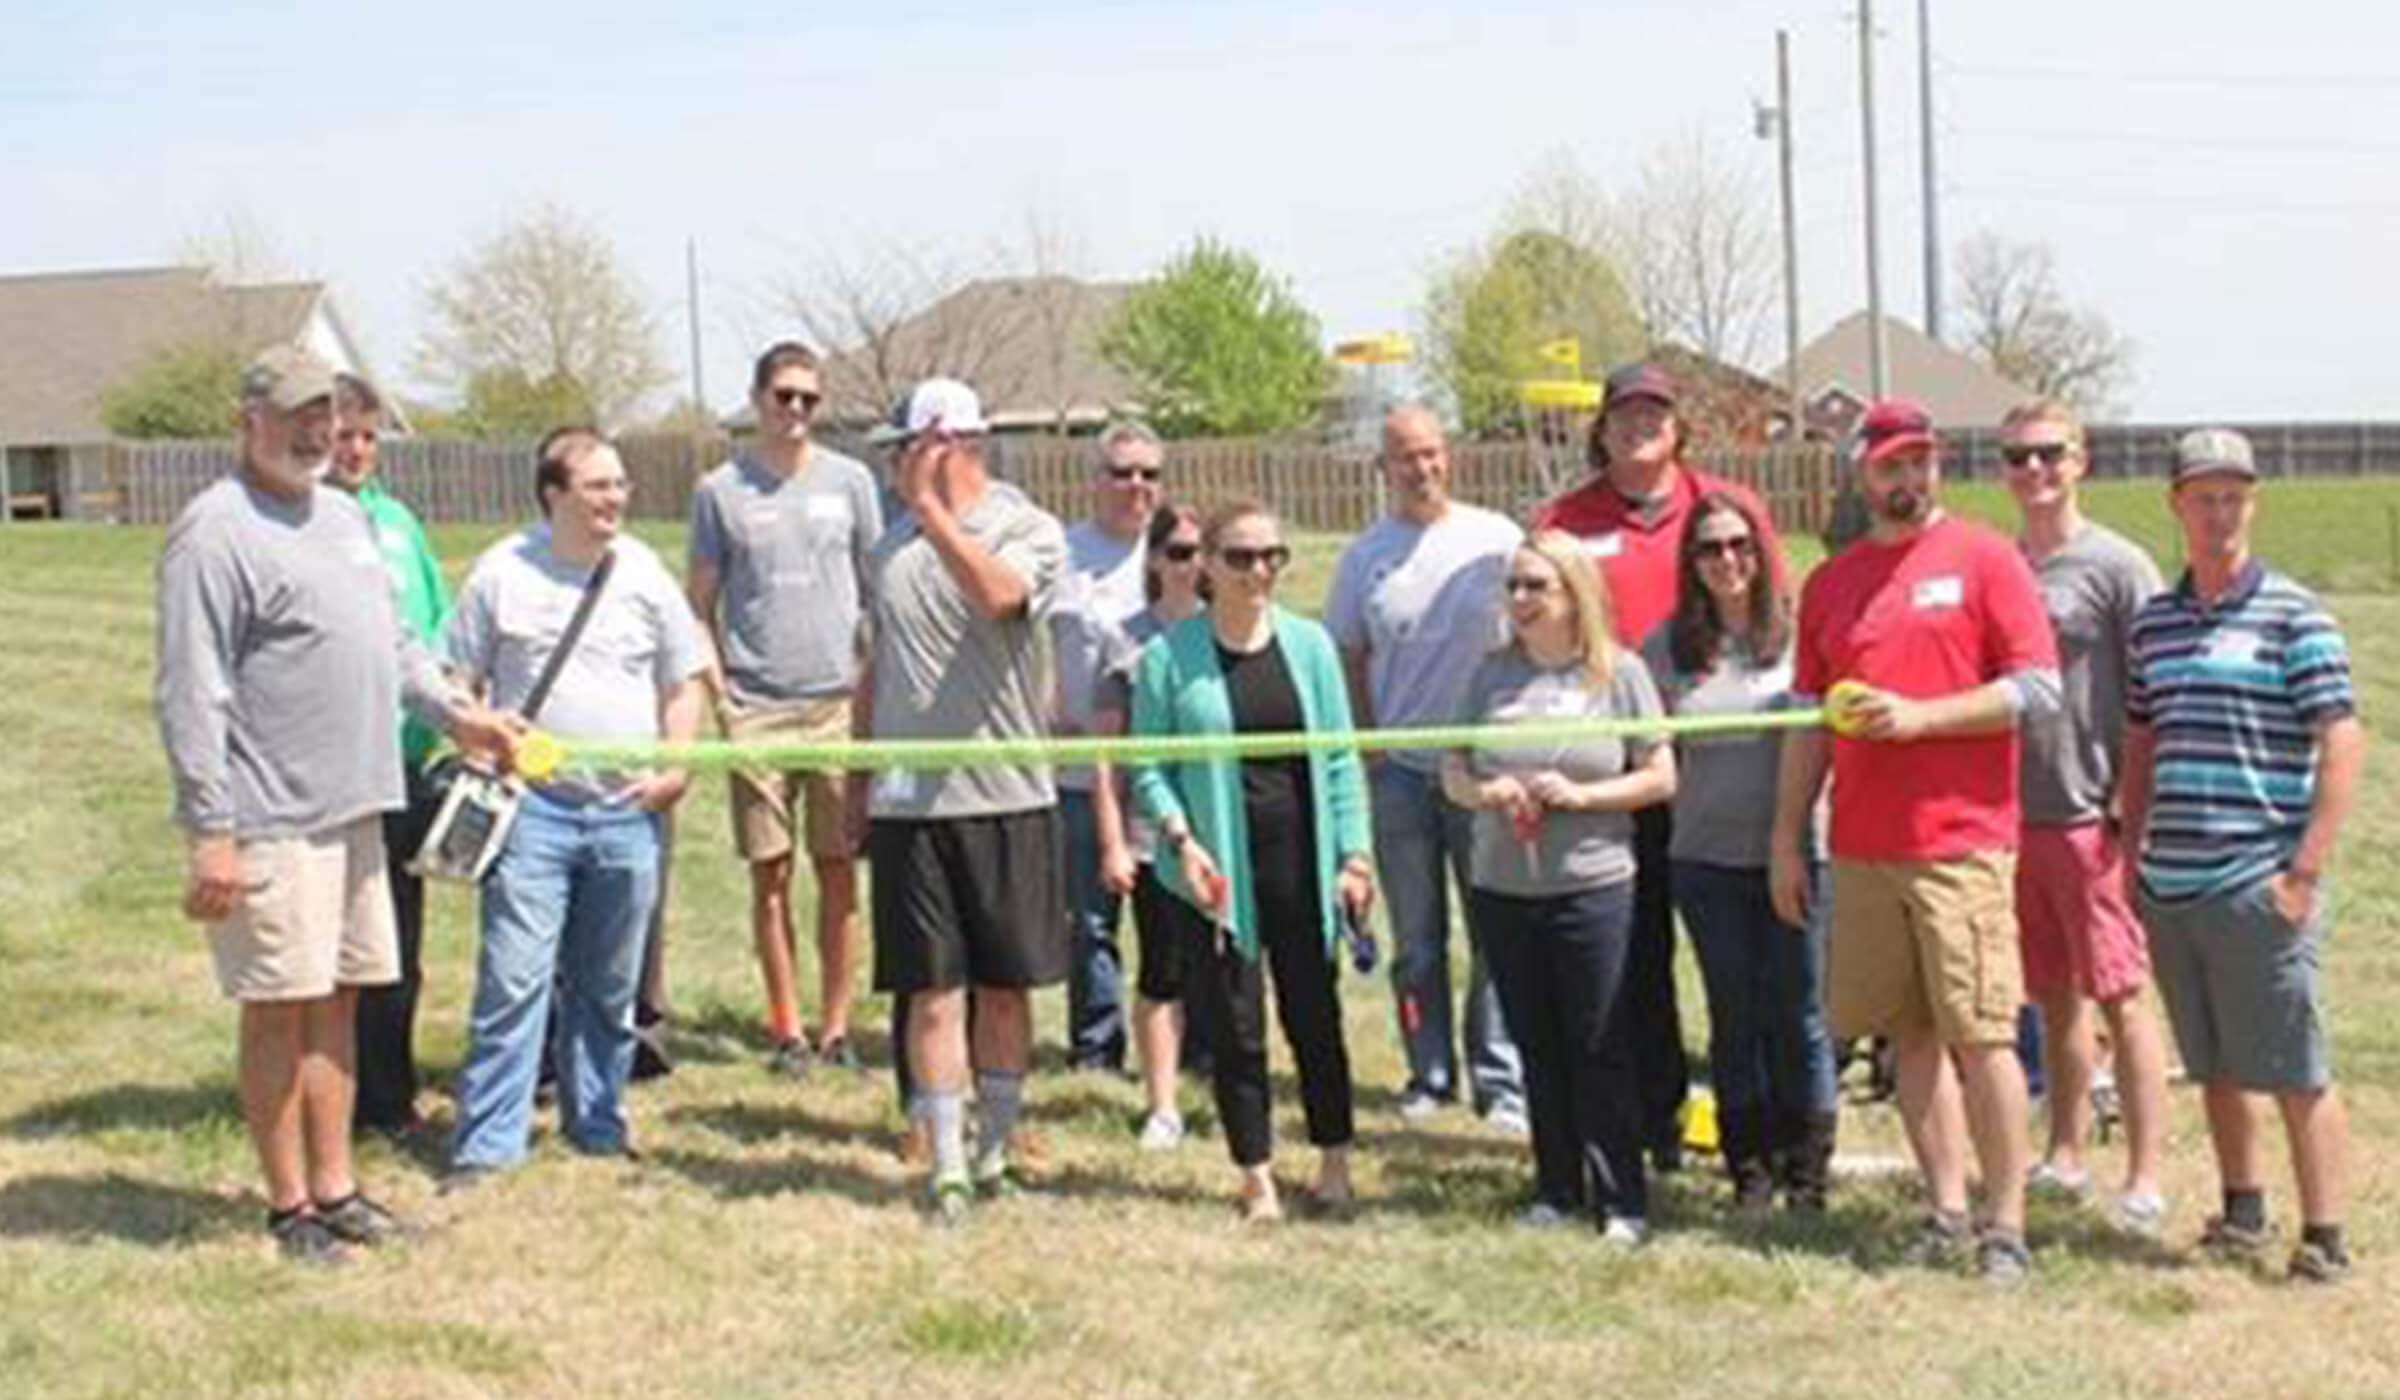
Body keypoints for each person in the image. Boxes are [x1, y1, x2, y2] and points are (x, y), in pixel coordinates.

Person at [156, 345, 513, 1264]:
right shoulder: (217, 530)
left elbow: (394, 647)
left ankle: (338, 1186)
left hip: (360, 807)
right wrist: (212, 832)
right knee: (281, 1005)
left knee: (344, 1002)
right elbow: (192, 690)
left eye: (329, 414)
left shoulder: (345, 520)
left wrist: (461, 717)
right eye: (298, 415)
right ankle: (289, 1210)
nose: (318, 432)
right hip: (271, 817)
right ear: (250, 421)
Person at [1770, 399, 2059, 1284]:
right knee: (1907, 1035)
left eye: (1922, 463)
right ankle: (1944, 1207)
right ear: (1865, 474)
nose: (1908, 479)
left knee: (1983, 1036)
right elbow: (1809, 723)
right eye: (1892, 465)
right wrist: (1787, 835)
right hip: (1860, 846)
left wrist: (1923, 718)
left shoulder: (1985, 559)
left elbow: (2038, 689)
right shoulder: (1832, 584)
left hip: (1960, 846)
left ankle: (2006, 1225)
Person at [2121, 428, 2365, 1283]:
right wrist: (2129, 850)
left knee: (2295, 1067)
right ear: (2177, 506)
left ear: (2251, 504)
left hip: (2257, 880)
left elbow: (2341, 740)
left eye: (2234, 496)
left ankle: (2326, 1237)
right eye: (2203, 497)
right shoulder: (2155, 623)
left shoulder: (2294, 614)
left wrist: (2303, 871)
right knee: (2215, 1062)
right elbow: (2142, 737)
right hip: (2173, 884)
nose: (2219, 513)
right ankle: (2242, 1210)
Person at [1534, 363, 1786, 1168]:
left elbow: (1777, 607)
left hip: (1727, 770)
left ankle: (1770, 1124)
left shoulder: (1724, 509)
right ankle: (1656, 1119)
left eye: (1656, 412)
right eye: (1625, 414)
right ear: (1601, 428)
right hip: (1618, 764)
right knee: (1636, 958)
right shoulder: (1567, 519)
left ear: (1679, 427)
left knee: (1752, 969)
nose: (1641, 426)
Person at [442, 428, 708, 1185]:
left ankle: (598, 1122)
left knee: (610, 985)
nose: (615, 499)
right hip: (534, 816)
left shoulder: (645, 574)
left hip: (628, 812)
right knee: (515, 979)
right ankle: (488, 1143)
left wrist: (675, 768)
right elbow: (456, 681)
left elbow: (683, 681)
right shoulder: (502, 573)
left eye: (620, 485)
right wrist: (483, 746)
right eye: (597, 487)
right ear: (554, 494)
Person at [1131, 499, 1376, 1223]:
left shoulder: (1311, 647)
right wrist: (1183, 841)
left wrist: (1355, 853)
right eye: (1241, 557)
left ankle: (1334, 1159)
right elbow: (1148, 767)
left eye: (1273, 555)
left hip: (1302, 862)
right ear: (1205, 563)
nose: (1259, 570)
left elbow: (1339, 758)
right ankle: (1256, 1173)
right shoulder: (1168, 659)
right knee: (1236, 1027)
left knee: (1315, 1015)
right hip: (1215, 872)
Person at [862, 379, 1069, 1224]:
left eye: (907, 449)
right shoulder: (889, 548)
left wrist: (935, 516)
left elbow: (998, 598)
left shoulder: (1027, 529)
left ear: (949, 444)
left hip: (1007, 796)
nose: (896, 466)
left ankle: (996, 1149)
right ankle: (946, 1161)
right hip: (911, 807)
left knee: (1005, 989)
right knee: (933, 991)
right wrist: (855, 777)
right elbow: (874, 670)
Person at [1445, 531, 1675, 1242]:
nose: (1519, 600)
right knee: (1536, 1041)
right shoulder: (1488, 676)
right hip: (1502, 885)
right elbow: (1452, 771)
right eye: (1513, 585)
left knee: (1598, 1040)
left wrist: (1583, 797)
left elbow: (1661, 776)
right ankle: (1555, 1187)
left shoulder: (1620, 673)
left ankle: (1622, 1199)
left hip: (1594, 885)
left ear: (1574, 594)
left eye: (1535, 586)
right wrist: (1489, 793)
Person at [1998, 399, 2172, 1233]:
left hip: (2089, 812)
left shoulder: (2117, 566)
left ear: (2081, 460)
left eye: (2049, 455)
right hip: (2010, 815)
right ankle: (2065, 1153)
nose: (2034, 471)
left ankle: (2144, 1174)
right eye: (2018, 458)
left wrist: (2129, 807)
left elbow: (2160, 691)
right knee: (2051, 997)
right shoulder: (1999, 565)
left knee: (2121, 994)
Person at [1325, 404, 1525, 1130]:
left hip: (1481, 766)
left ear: (1451, 457)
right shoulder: (1364, 555)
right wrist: (1367, 744)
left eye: (1432, 453)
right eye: (1406, 456)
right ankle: (1428, 1074)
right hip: (1402, 776)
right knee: (1417, 941)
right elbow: (1347, 653)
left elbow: (1533, 628)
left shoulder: (1496, 539)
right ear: (1384, 467)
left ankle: (1500, 1080)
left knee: (1495, 931)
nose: (1422, 468)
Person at [688, 341, 883, 1077]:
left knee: (839, 870)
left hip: (837, 707)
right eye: (783, 397)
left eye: (808, 398)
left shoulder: (853, 482)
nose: (796, 411)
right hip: (757, 710)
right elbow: (699, 607)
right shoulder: (720, 491)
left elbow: (877, 592)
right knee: (769, 874)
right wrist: (723, 701)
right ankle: (787, 1030)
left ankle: (837, 1032)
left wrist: (869, 686)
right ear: (758, 400)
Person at [1642, 492, 1838, 1216]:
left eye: (1739, 546)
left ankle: (1809, 1173)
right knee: (1734, 1014)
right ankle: (1749, 1170)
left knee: (1801, 1013)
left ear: (1761, 552)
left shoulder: (1799, 634)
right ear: (1691, 565)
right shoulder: (1666, 650)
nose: (1727, 561)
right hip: (1705, 861)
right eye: (1710, 549)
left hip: (1802, 853)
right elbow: (1649, 746)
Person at [321, 372, 451, 1141]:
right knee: (348, 945)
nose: (357, 449)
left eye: (368, 435)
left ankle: (391, 1094)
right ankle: (349, 1095)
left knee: (402, 938)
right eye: (344, 434)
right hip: (342, 764)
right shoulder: (311, 523)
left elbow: (432, 628)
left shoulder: (398, 523)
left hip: (410, 759)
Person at [1092, 502, 1210, 1148]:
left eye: (1200, 552)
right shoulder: (1125, 641)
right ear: (1156, 559)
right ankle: (1162, 1105)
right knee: (1162, 968)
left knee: (1229, 970)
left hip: (1223, 835)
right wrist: (1113, 841)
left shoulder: (1230, 632)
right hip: (1150, 837)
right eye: (1179, 552)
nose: (1190, 565)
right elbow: (1107, 758)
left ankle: (1228, 1085)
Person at [1053, 421, 1167, 1075]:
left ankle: (1176, 1041)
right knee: (1090, 922)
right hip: (1078, 774)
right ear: (1095, 479)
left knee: (1169, 926)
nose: (1135, 485)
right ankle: (1097, 1048)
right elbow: (1028, 643)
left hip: (1158, 780)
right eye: (1122, 471)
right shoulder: (1063, 553)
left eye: (1148, 473)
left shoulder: (1174, 553)